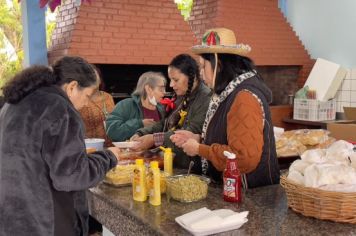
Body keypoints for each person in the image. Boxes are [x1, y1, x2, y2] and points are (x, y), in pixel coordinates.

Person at [0, 56, 121, 236]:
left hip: (12, 215)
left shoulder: (14, 103)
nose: (86, 103)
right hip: (45, 220)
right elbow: (71, 176)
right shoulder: (59, 108)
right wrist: (109, 157)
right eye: (87, 96)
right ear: (72, 87)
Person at [171, 28, 280, 188]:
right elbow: (227, 138)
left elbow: (243, 158)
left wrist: (200, 149)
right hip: (235, 190)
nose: (200, 73)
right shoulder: (229, 94)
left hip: (251, 195)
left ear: (219, 65)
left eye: (203, 66)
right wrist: (198, 139)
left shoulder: (244, 98)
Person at [132, 54, 212, 170]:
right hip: (171, 162)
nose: (171, 85)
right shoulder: (181, 95)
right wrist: (141, 133)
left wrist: (153, 139)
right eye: (170, 79)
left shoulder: (206, 99)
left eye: (175, 80)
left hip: (189, 170)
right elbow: (164, 123)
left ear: (192, 77)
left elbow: (188, 133)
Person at [106, 71, 166, 142]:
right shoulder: (125, 105)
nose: (164, 92)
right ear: (148, 89)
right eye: (161, 89)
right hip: (130, 152)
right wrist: (139, 124)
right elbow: (112, 131)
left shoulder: (163, 108)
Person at [79, 66, 115, 147]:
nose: (93, 79)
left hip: (110, 145)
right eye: (90, 77)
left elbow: (114, 119)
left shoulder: (108, 97)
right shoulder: (80, 98)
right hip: (88, 146)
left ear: (100, 79)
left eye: (95, 76)